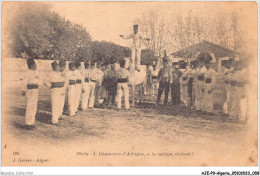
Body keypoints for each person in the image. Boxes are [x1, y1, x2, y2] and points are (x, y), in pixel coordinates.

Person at [21, 58, 40, 129]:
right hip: (30, 91)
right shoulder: (27, 72)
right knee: (30, 106)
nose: (36, 66)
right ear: (31, 65)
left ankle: (32, 122)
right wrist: (23, 90)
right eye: (34, 64)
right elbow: (24, 82)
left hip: (35, 90)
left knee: (34, 106)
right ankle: (28, 123)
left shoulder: (36, 72)